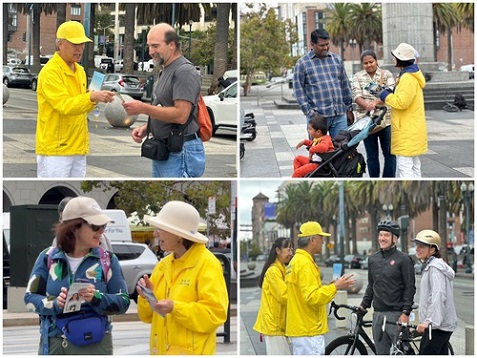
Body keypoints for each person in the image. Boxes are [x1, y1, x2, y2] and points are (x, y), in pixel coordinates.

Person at [24, 196, 130, 355]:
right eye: (95, 226)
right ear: (74, 227)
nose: (102, 231)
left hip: (96, 345)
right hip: (56, 345)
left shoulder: (107, 260)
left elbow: (123, 301)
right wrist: (54, 303)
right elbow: (30, 298)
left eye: (104, 226)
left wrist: (97, 297)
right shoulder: (47, 257)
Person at [136, 201, 228, 354]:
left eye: (160, 229)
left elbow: (215, 314)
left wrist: (175, 307)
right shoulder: (163, 265)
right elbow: (147, 317)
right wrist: (147, 297)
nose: (155, 233)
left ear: (178, 234)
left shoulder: (207, 263)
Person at [123, 23, 205, 178]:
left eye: (155, 46)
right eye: (149, 46)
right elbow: (166, 106)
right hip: (167, 149)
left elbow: (181, 115)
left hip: (180, 150)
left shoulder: (184, 71)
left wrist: (143, 108)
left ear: (171, 45)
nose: (150, 52)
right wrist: (148, 127)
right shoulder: (166, 68)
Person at [35, 21, 115, 178]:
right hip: (56, 149)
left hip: (77, 146)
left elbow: (79, 103)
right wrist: (91, 97)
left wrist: (91, 96)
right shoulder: (50, 72)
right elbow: (64, 105)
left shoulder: (80, 71)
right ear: (60, 44)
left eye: (82, 44)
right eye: (75, 44)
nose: (80, 49)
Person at [285, 221, 356, 355]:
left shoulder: (296, 261)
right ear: (312, 240)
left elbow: (304, 293)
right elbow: (312, 297)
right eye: (321, 238)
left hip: (301, 328)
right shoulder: (305, 264)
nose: (323, 242)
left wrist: (329, 287)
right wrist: (335, 287)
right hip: (308, 330)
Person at [369, 43, 427, 178]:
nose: (393, 59)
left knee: (405, 167)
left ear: (401, 59)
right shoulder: (410, 75)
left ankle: (410, 195)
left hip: (407, 129)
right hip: (412, 128)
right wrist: (387, 92)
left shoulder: (407, 78)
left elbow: (401, 102)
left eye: (395, 56)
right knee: (414, 165)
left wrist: (383, 94)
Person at [359, 220, 416, 355]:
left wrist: (406, 313)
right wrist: (363, 306)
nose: (382, 238)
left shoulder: (403, 259)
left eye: (386, 235)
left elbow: (410, 288)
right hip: (378, 315)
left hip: (397, 315)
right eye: (380, 235)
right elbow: (371, 286)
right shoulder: (373, 259)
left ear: (394, 239)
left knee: (403, 353)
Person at [293, 29, 354, 139]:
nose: (325, 48)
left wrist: (349, 109)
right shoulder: (302, 64)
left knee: (343, 152)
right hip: (318, 120)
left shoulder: (336, 60)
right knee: (318, 154)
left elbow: (345, 86)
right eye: (322, 45)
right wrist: (311, 114)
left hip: (339, 116)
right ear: (312, 44)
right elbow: (298, 91)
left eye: (327, 44)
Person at [352, 50, 396, 177]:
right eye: (365, 63)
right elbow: (356, 96)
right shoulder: (358, 76)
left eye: (371, 61)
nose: (369, 65)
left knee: (390, 154)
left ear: (376, 61)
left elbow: (390, 91)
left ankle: (388, 181)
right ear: (362, 64)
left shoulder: (386, 74)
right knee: (371, 156)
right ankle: (374, 181)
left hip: (386, 120)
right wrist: (368, 107)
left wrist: (375, 103)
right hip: (367, 122)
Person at [413, 230, 457, 355]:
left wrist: (429, 322)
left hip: (437, 327)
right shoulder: (433, 266)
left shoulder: (435, 268)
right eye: (417, 245)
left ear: (432, 249)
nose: (417, 249)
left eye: (421, 246)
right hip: (440, 326)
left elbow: (438, 296)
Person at [253, 237, 294, 355]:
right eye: (288, 250)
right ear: (278, 250)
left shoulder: (282, 269)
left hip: (277, 324)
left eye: (292, 250)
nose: (291, 253)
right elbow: (284, 296)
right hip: (273, 325)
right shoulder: (273, 271)